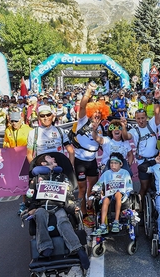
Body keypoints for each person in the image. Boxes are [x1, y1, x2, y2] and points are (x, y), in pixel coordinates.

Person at [25, 154, 89, 270]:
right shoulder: (36, 179)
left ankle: (77, 248)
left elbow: (68, 195)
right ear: (43, 164)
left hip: (59, 207)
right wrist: (31, 208)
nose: (54, 158)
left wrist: (72, 207)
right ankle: (45, 247)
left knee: (63, 220)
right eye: (50, 158)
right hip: (41, 207)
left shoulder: (62, 177)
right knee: (39, 214)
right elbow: (30, 197)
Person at [72, 83, 110, 227]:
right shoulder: (83, 120)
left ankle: (89, 207)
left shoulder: (100, 127)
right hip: (80, 161)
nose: (97, 115)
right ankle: (84, 214)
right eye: (95, 113)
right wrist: (88, 91)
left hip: (92, 161)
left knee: (92, 188)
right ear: (90, 112)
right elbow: (82, 106)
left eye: (99, 114)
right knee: (82, 189)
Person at [121, 86, 160, 200]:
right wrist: (123, 127)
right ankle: (139, 207)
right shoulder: (134, 130)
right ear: (135, 119)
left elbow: (159, 112)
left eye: (142, 118)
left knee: (158, 184)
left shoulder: (151, 124)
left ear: (146, 117)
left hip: (156, 159)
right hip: (143, 161)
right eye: (138, 119)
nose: (141, 121)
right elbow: (126, 136)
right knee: (144, 186)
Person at [90, 153, 133, 234]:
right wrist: (94, 190)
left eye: (115, 163)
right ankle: (103, 225)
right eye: (111, 163)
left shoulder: (125, 173)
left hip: (120, 195)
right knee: (105, 199)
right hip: (109, 195)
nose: (113, 165)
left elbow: (129, 186)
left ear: (121, 164)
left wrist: (127, 194)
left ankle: (116, 222)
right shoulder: (106, 174)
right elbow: (99, 184)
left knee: (118, 194)